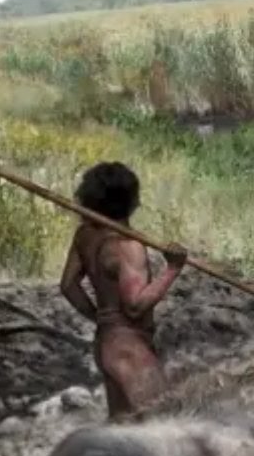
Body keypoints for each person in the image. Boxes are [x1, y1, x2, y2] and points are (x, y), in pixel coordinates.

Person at [58, 162, 188, 421]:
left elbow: (68, 285)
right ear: (132, 201)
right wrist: (173, 269)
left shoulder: (85, 235)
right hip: (129, 346)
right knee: (166, 422)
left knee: (124, 428)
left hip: (106, 342)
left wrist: (101, 318)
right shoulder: (128, 245)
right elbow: (136, 306)